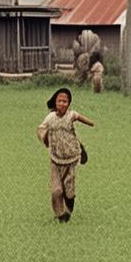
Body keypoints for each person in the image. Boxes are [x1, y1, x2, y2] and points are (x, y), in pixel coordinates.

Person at [37, 87, 94, 222]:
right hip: (55, 159)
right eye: (59, 101)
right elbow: (41, 129)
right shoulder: (50, 118)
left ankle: (69, 210)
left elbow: (82, 118)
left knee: (69, 192)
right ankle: (60, 215)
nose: (62, 104)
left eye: (65, 101)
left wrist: (91, 123)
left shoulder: (71, 115)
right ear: (55, 102)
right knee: (56, 191)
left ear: (69, 103)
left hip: (71, 158)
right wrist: (44, 136)